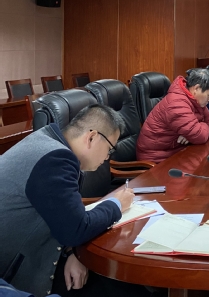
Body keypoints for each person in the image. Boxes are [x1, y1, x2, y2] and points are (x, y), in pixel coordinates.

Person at [0, 104, 136, 297]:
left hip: (37, 250)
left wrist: (73, 252)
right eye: (110, 149)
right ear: (91, 137)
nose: (107, 157)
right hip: (14, 274)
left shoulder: (47, 142)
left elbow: (63, 215)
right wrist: (116, 204)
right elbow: (75, 229)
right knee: (121, 286)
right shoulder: (56, 159)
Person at [137, 69, 209, 163]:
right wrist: (195, 131)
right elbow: (201, 136)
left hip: (176, 151)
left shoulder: (195, 100)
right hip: (157, 159)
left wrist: (192, 132)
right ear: (196, 88)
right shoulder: (176, 104)